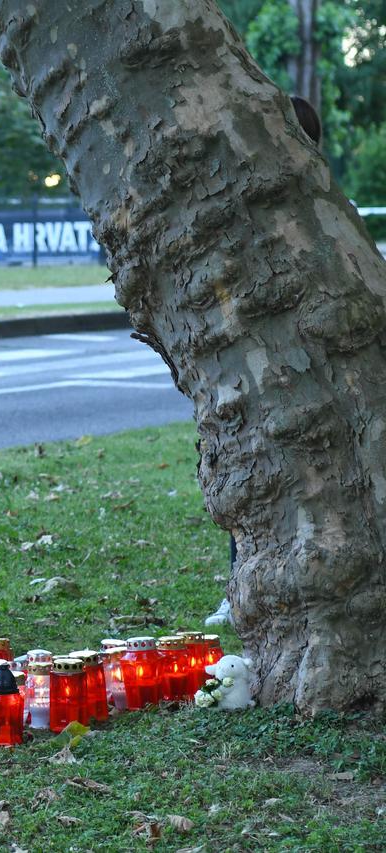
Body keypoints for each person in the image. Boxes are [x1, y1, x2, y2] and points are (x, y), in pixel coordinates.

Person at [205, 94, 321, 627]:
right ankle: (240, 585)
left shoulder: (310, 209)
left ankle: (249, 587)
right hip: (251, 373)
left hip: (289, 372)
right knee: (250, 481)